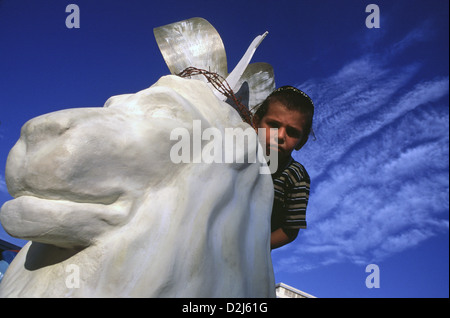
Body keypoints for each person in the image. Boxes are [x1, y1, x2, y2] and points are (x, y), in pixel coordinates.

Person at [253, 86, 314, 249]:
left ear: (302, 141)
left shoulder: (296, 176)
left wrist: (255, 248)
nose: (280, 136)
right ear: (255, 123)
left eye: (292, 132)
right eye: (273, 125)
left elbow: (290, 230)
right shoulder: (231, 154)